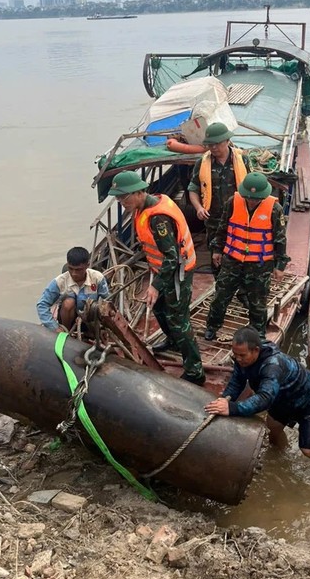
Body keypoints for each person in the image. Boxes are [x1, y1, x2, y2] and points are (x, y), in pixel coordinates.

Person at [108, 171, 205, 385]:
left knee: (179, 320)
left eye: (123, 197)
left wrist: (155, 286)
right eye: (118, 198)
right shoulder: (143, 207)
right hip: (160, 269)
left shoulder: (158, 218)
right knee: (160, 309)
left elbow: (173, 256)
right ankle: (172, 341)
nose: (121, 202)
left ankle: (195, 370)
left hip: (177, 272)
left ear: (138, 193)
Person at [204, 326, 310, 468]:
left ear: (256, 350)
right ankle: (282, 458)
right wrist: (225, 398)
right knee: (273, 431)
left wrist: (232, 408)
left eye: (242, 356)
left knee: (308, 448)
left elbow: (265, 398)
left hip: (308, 398)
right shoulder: (241, 359)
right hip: (282, 398)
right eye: (235, 355)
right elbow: (237, 381)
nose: (238, 359)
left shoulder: (273, 365)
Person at [204, 173, 290, 341]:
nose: (252, 201)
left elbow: (280, 239)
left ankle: (258, 333)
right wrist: (217, 250)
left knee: (258, 303)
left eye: (256, 199)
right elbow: (222, 228)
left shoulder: (275, 209)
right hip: (232, 260)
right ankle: (212, 326)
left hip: (259, 265)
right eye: (249, 198)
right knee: (221, 296)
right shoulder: (232, 203)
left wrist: (280, 266)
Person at [187, 122, 249, 275]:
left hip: (238, 219)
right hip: (213, 221)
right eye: (210, 145)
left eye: (217, 144)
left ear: (227, 141)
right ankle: (219, 285)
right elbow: (193, 189)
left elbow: (250, 188)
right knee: (216, 257)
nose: (213, 148)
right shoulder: (202, 163)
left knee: (240, 256)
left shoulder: (243, 160)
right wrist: (199, 208)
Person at [37, 246, 109, 332]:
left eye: (78, 270)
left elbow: (107, 300)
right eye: (71, 269)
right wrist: (54, 327)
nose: (74, 273)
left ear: (87, 265)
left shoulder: (97, 278)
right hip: (67, 320)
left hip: (91, 320)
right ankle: (67, 333)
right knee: (68, 303)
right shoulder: (60, 281)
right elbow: (42, 305)